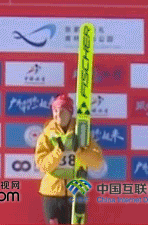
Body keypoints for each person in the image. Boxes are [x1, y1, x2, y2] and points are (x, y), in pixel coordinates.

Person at [34, 94, 104, 224]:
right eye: (55, 111)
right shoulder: (47, 135)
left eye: (62, 111)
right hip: (52, 194)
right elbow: (42, 165)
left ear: (70, 112)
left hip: (76, 194)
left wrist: (78, 151)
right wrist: (58, 151)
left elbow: (97, 162)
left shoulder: (82, 134)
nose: (58, 115)